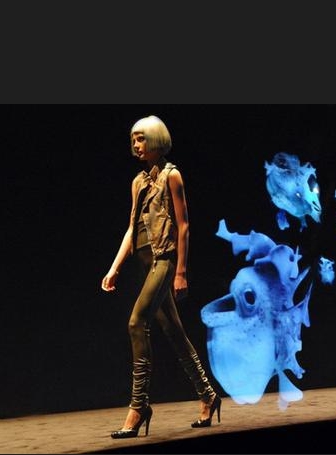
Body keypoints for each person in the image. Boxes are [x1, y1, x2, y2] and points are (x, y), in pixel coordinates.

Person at [101, 115, 221, 439]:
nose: (136, 145)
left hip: (163, 261)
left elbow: (183, 226)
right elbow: (132, 229)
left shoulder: (172, 176)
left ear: (156, 138)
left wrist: (180, 271)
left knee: (136, 322)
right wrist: (114, 268)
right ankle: (208, 395)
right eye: (133, 140)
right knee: (174, 332)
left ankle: (139, 405)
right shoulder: (138, 182)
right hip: (144, 263)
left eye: (141, 138)